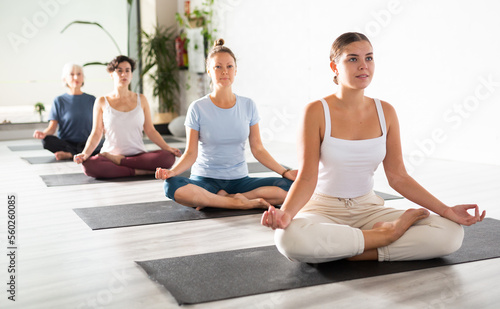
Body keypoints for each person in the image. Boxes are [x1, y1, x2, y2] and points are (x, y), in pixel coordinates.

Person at [261, 32, 485, 263]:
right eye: (352, 59)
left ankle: (354, 249)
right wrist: (286, 213)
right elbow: (307, 178)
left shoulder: (385, 112)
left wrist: (447, 211)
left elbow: (398, 177)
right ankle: (385, 235)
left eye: (369, 58)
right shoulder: (316, 111)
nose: (363, 66)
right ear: (334, 66)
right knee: (288, 240)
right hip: (323, 209)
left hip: (368, 208)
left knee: (450, 234)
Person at [156, 39, 297, 210]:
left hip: (240, 181)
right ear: (209, 71)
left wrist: (284, 172)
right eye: (218, 67)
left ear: (236, 70)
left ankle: (217, 200)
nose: (224, 72)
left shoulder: (248, 105)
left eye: (229, 66)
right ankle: (237, 203)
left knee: (291, 186)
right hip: (205, 180)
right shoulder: (198, 107)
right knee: (172, 186)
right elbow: (191, 152)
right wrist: (173, 172)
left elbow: (258, 149)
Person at [74, 55, 181, 178]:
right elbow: (96, 132)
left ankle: (121, 162)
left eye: (127, 70)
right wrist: (85, 154)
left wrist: (168, 148)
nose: (124, 74)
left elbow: (150, 130)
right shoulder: (102, 101)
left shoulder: (141, 99)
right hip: (109, 155)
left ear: (131, 74)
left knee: (168, 158)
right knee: (89, 165)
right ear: (111, 74)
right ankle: (139, 171)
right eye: (119, 70)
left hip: (138, 155)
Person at [33, 63, 102, 160]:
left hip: (88, 143)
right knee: (46, 141)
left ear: (83, 78)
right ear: (65, 79)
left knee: (105, 143)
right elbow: (52, 128)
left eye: (79, 74)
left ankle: (71, 154)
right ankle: (79, 154)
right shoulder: (59, 100)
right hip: (66, 144)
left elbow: (100, 126)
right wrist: (43, 134)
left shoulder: (92, 100)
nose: (76, 77)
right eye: (71, 74)